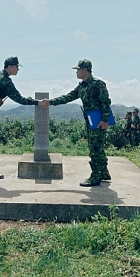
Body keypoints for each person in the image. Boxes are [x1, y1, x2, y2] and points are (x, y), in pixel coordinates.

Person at [48, 59, 112, 187]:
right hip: (90, 120)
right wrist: (50, 101)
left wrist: (105, 120)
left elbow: (106, 102)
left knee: (95, 148)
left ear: (85, 70)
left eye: (78, 69)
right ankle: (103, 173)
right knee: (96, 146)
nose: (76, 72)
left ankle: (96, 176)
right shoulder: (82, 86)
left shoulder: (97, 84)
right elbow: (68, 97)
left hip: (98, 119)